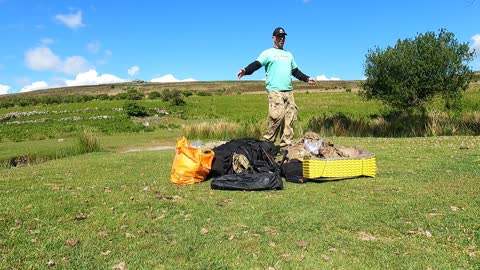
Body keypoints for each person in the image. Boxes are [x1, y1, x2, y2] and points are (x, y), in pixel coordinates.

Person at [237, 27, 316, 147]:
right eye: (279, 36)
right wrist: (246, 70)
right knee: (277, 116)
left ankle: (286, 143)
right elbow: (257, 64)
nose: (282, 38)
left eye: (283, 36)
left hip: (288, 91)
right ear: (273, 38)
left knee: (290, 116)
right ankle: (268, 141)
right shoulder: (268, 53)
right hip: (275, 90)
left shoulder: (288, 55)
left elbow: (295, 71)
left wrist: (306, 78)